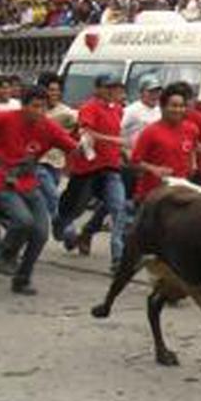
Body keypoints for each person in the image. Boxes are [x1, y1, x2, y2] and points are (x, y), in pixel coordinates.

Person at [0, 86, 78, 294]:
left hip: (29, 183)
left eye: (43, 107)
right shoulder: (5, 119)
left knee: (41, 233)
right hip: (2, 180)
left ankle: (22, 279)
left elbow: (72, 147)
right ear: (24, 106)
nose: (39, 111)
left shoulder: (48, 126)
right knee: (23, 221)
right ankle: (4, 256)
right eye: (35, 106)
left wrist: (87, 145)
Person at [54, 75, 128, 271]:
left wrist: (123, 151)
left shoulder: (118, 110)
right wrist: (114, 141)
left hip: (110, 168)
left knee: (118, 208)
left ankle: (118, 257)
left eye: (115, 87)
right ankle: (61, 224)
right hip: (88, 169)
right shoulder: (89, 107)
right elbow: (86, 133)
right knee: (75, 208)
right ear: (97, 88)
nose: (112, 91)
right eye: (108, 87)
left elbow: (118, 137)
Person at [130, 83, 199, 203]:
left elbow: (191, 148)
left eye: (182, 106)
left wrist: (193, 163)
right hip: (152, 195)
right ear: (162, 107)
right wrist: (154, 169)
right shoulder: (150, 132)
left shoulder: (192, 129)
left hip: (179, 193)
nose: (178, 110)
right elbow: (134, 162)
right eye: (174, 106)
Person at [34, 72, 77, 223]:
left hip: (57, 163)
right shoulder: (34, 109)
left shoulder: (67, 113)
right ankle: (67, 230)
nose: (55, 93)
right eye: (51, 90)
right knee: (54, 196)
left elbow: (79, 129)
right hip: (37, 163)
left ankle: (45, 229)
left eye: (57, 90)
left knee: (46, 203)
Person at [121, 76, 163, 149]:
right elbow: (116, 132)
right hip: (135, 155)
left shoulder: (161, 111)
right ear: (141, 92)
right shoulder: (131, 110)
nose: (155, 95)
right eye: (150, 92)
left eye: (157, 91)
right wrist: (125, 151)